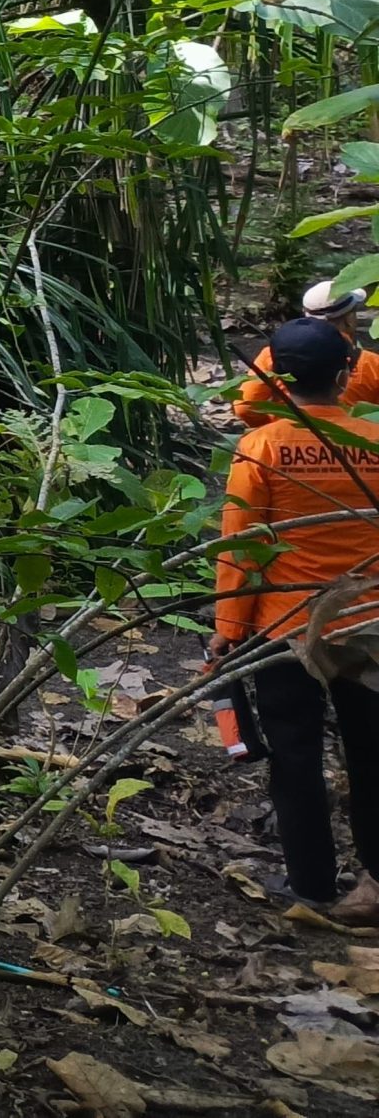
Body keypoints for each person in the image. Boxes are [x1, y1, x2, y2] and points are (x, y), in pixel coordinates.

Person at [215, 316, 379, 921]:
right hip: (370, 625)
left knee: (295, 754)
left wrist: (228, 633)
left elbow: (241, 551)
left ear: (280, 377)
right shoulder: (373, 440)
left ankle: (310, 884)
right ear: (346, 377)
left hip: (287, 627)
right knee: (373, 754)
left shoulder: (261, 447)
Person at [234, 279, 379, 426]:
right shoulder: (372, 364)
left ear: (305, 315)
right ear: (349, 319)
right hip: (353, 444)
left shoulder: (273, 354)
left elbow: (245, 408)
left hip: (285, 442)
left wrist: (274, 428)